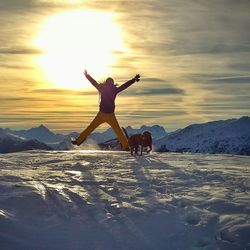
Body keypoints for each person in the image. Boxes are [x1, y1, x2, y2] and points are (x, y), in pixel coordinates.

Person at [71, 70, 140, 150]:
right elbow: (125, 86)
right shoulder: (114, 90)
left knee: (90, 128)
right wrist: (134, 80)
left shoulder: (102, 88)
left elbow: (93, 82)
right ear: (112, 83)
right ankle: (126, 147)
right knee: (119, 132)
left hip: (101, 114)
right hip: (110, 115)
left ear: (106, 83)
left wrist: (87, 76)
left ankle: (78, 141)